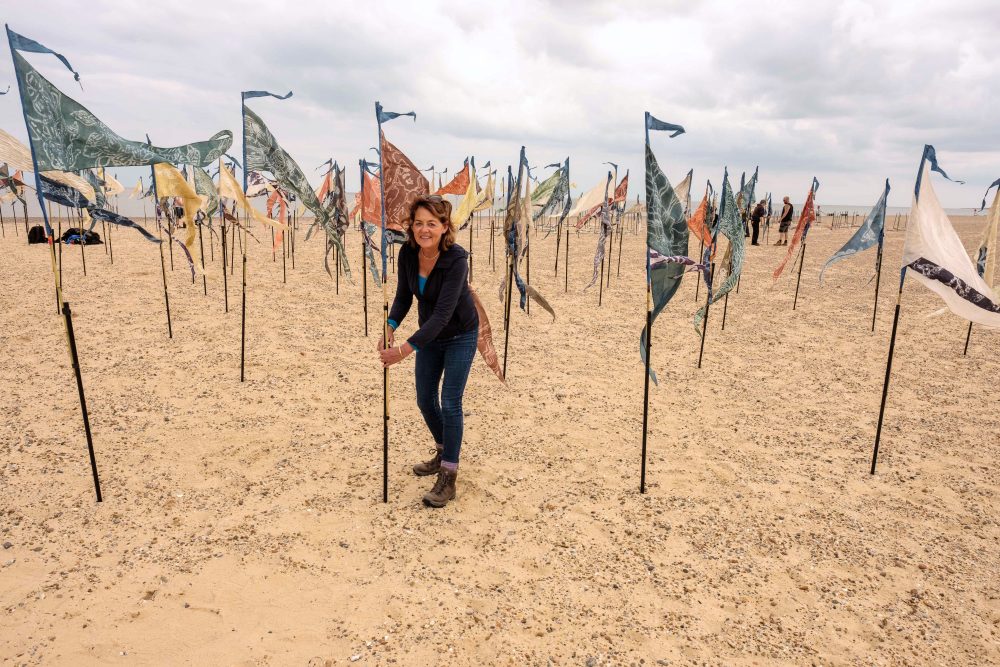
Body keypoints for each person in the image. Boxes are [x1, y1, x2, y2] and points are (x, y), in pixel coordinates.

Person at [378, 194, 479, 508]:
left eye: (431, 224)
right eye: (418, 223)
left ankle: (449, 474)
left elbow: (443, 315)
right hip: (429, 336)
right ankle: (442, 450)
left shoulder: (457, 259)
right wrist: (389, 327)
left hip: (460, 333)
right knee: (424, 399)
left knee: (450, 402)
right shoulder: (408, 253)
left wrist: (404, 350)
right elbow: (403, 298)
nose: (424, 229)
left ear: (444, 226)